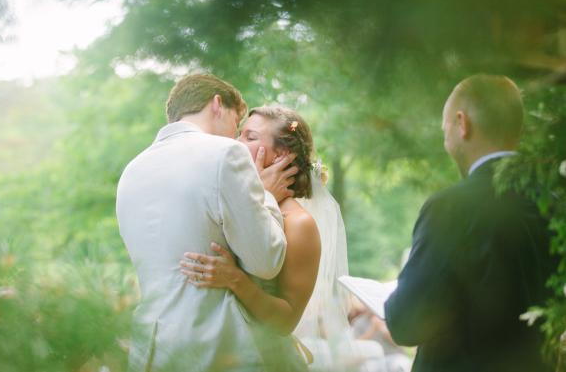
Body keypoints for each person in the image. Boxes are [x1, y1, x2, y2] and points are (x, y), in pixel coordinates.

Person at [116, 74, 299, 372]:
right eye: (235, 124)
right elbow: (266, 260)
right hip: (214, 349)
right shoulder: (225, 153)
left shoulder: (131, 171)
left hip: (149, 352)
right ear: (217, 104)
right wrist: (264, 193)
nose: (234, 136)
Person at [384, 74, 560, 372]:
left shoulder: (451, 207)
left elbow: (406, 324)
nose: (445, 139)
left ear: (462, 124)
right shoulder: (556, 204)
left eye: (445, 129)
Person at [180, 107, 357, 371]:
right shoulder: (228, 200)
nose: (236, 142)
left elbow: (286, 321)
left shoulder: (299, 225)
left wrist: (235, 280)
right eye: (239, 134)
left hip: (262, 359)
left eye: (250, 138)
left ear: (281, 155)